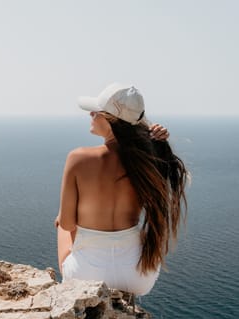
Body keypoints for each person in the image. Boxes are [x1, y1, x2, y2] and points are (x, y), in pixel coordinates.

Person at [55, 82, 188, 296]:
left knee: (61, 222)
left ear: (111, 120)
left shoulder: (78, 158)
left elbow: (68, 224)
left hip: (86, 276)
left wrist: (62, 218)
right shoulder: (146, 160)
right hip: (138, 277)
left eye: (96, 112)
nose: (90, 114)